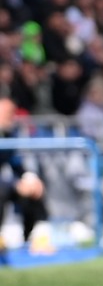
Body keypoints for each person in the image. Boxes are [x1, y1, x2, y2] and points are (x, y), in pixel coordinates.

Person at [0, 97, 47, 261]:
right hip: (3, 186)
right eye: (7, 113)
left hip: (5, 184)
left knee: (33, 190)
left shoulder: (9, 134)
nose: (11, 117)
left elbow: (17, 164)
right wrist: (14, 184)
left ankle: (32, 239)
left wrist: (30, 179)